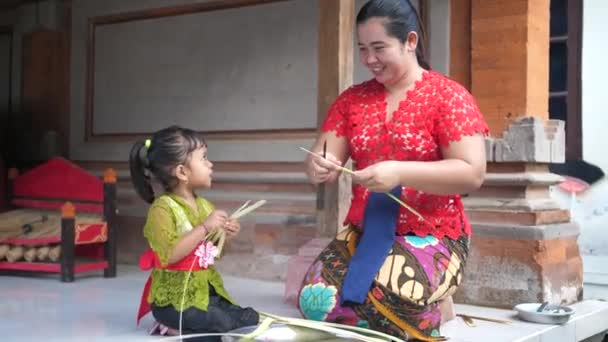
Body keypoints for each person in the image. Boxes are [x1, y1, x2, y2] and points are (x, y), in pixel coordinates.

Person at [298, 0, 488, 340]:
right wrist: (318, 166)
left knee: (391, 299)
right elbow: (322, 157)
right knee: (315, 301)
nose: (369, 59)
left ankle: (440, 300)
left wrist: (400, 172)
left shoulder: (448, 96)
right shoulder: (351, 101)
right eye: (362, 49)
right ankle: (425, 299)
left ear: (410, 41)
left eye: (379, 48)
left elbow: (472, 173)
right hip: (366, 231)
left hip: (432, 231)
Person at [130, 125, 259, 341]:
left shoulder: (205, 206)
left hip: (205, 293)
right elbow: (168, 256)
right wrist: (204, 228)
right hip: (174, 301)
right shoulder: (162, 209)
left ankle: (187, 327)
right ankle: (169, 325)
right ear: (182, 172)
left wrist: (226, 235)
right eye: (204, 158)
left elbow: (214, 254)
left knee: (248, 317)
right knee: (221, 324)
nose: (211, 164)